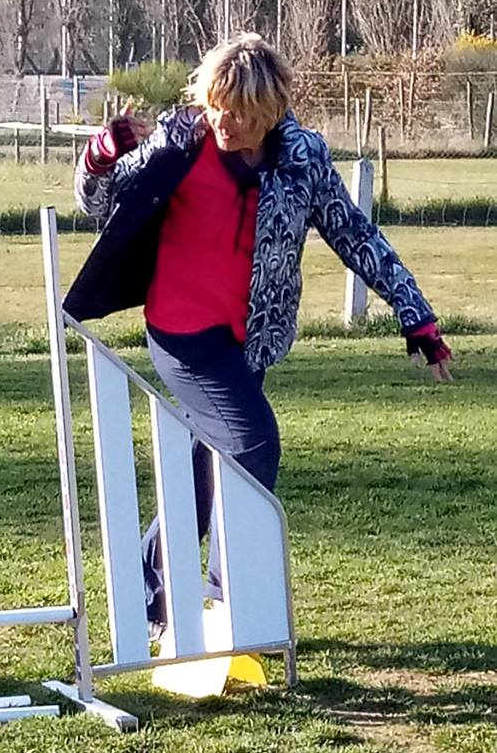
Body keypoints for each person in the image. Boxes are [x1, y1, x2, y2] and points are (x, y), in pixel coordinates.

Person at [64, 33, 453, 637]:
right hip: (182, 333)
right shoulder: (181, 139)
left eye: (244, 114)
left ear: (273, 114)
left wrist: (416, 315)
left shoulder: (302, 159)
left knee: (202, 471)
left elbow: (354, 234)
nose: (227, 122)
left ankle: (150, 598)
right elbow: (97, 203)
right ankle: (224, 597)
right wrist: (100, 155)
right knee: (253, 443)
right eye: (218, 104)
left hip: (252, 340)